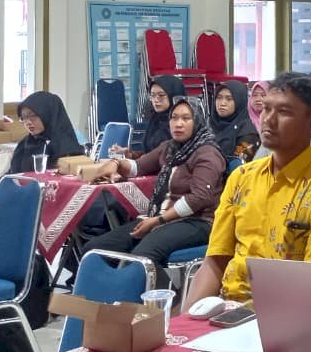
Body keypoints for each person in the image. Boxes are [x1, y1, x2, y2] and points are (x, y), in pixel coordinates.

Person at [185, 73, 311, 305]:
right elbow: (215, 262)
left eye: (284, 112)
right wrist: (183, 327)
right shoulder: (242, 177)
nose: (269, 119)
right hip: (226, 309)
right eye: (266, 109)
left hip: (285, 313)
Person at [84, 96, 224, 280]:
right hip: (161, 218)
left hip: (197, 222)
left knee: (141, 259)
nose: (178, 124)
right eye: (174, 118)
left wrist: (158, 220)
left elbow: (198, 198)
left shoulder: (207, 153)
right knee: (94, 250)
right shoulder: (170, 148)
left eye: (186, 118)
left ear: (197, 121)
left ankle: (167, 305)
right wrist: (116, 163)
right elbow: (138, 166)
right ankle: (104, 303)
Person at [0, 90, 86, 276]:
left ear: (48, 114)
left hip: (38, 205)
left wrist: (11, 193)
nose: (29, 122)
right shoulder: (26, 144)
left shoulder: (66, 146)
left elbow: (60, 185)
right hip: (12, 197)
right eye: (24, 118)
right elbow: (12, 174)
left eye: (33, 116)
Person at [112, 74, 183, 158]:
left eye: (161, 95)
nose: (156, 100)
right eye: (152, 96)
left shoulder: (180, 123)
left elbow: (165, 157)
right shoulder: (155, 119)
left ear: (173, 95)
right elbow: (149, 153)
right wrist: (130, 154)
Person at [209, 79, 260, 163]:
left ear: (239, 101)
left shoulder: (248, 133)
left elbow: (240, 164)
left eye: (229, 99)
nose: (222, 103)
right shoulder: (210, 124)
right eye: (219, 98)